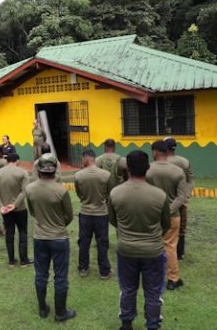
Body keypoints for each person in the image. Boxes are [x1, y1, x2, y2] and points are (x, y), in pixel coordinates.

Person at [108, 150, 171, 330]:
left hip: (126, 249)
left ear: (127, 168)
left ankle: (126, 324)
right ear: (148, 168)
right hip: (153, 251)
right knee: (153, 292)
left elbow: (113, 220)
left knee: (127, 288)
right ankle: (152, 325)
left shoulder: (115, 193)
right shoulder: (160, 195)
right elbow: (165, 224)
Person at [25, 153, 75, 322]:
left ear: (39, 170)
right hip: (59, 237)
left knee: (41, 274)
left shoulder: (30, 189)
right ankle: (60, 313)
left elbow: (32, 212)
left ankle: (42, 309)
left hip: (40, 237)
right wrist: (58, 225)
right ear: (55, 170)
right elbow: (69, 216)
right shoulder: (61, 190)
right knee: (60, 276)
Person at [146, 140, 187, 291]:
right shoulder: (178, 171)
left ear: (155, 152)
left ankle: (152, 277)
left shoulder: (148, 169)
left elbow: (145, 193)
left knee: (152, 245)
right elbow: (181, 197)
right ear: (168, 151)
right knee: (170, 247)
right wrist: (168, 210)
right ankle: (173, 279)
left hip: (152, 215)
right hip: (173, 215)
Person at [74, 149, 113, 279]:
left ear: (85, 159)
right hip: (101, 213)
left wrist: (86, 200)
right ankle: (104, 271)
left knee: (84, 241)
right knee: (102, 242)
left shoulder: (78, 175)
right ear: (94, 159)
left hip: (85, 212)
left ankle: (83, 268)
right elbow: (109, 193)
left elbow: (79, 193)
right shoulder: (106, 175)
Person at [0, 153, 32, 267]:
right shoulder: (22, 172)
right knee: (23, 232)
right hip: (20, 208)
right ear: (17, 160)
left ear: (6, 161)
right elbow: (25, 191)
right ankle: (24, 260)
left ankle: (11, 261)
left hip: (5, 210)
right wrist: (15, 204)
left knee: (9, 233)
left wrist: (1, 206)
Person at [165, 137, 194, 260]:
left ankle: (166, 251)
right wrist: (186, 196)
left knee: (165, 226)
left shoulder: (161, 162)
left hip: (166, 200)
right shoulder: (184, 161)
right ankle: (180, 253)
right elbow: (190, 180)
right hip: (181, 199)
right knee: (181, 226)